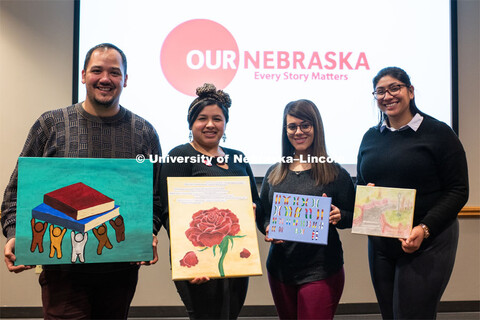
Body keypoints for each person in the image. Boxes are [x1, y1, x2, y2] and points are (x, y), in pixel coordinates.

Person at [1, 43, 162, 319]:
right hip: (63, 270)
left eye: (114, 72)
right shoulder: (51, 124)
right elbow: (16, 191)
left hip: (120, 269)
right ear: (83, 74)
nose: (105, 78)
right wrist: (16, 234)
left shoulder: (144, 132)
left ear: (125, 79)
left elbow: (156, 197)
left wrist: (149, 231)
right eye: (97, 70)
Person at [356, 67, 469, 319]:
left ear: (410, 91)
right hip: (381, 245)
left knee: (412, 315)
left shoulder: (439, 133)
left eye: (395, 88)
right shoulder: (371, 137)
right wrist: (365, 194)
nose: (388, 96)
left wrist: (424, 229)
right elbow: (362, 186)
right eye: (380, 91)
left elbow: (458, 190)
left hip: (427, 240)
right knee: (390, 315)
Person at [159, 83, 261, 319]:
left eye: (217, 118)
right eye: (202, 118)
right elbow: (170, 214)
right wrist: (190, 257)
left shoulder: (238, 157)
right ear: (191, 123)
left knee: (231, 314)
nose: (210, 124)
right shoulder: (179, 156)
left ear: (225, 124)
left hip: (235, 257)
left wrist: (253, 211)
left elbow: (255, 201)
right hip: (198, 257)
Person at [257, 99, 355, 320]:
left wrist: (339, 216)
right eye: (292, 126)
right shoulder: (275, 172)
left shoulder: (335, 173)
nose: (298, 131)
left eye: (305, 125)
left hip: (320, 271)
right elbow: (263, 214)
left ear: (316, 127)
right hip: (280, 270)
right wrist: (267, 227)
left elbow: (354, 216)